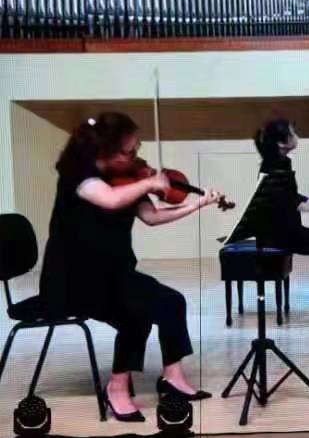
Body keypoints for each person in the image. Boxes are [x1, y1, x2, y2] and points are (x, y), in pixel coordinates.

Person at [38, 113, 221, 422]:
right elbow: (110, 200)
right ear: (103, 150)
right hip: (73, 281)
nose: (137, 158)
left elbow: (152, 217)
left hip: (115, 274)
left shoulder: (128, 178)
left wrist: (196, 204)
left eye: (137, 149)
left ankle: (172, 377)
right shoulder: (79, 177)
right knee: (136, 313)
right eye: (129, 151)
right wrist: (148, 181)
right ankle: (117, 387)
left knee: (172, 302)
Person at [253, 118, 309, 255]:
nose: (297, 137)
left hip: (283, 232)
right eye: (293, 134)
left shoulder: (278, 162)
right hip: (281, 237)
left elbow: (291, 196)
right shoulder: (276, 166)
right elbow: (290, 202)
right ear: (281, 143)